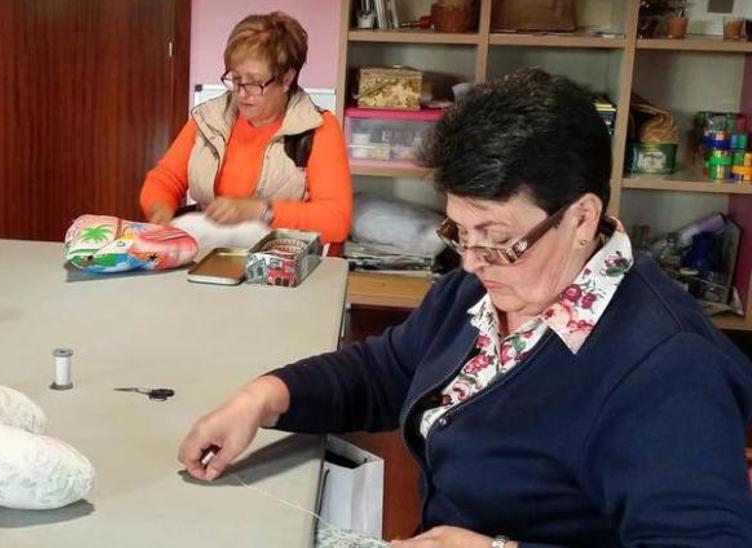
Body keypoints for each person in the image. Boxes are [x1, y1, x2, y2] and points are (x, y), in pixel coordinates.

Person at [178, 68, 752, 546]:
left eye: (497, 238)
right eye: (460, 230)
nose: (473, 261)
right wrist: (261, 399)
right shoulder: (486, 287)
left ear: (581, 218)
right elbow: (388, 371)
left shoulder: (669, 371)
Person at [139, 11, 352, 243]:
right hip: (207, 256)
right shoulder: (210, 118)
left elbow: (336, 221)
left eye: (254, 82)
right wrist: (159, 209)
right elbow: (164, 179)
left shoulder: (319, 128)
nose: (241, 93)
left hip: (278, 267)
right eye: (236, 79)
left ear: (287, 79)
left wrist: (260, 211)